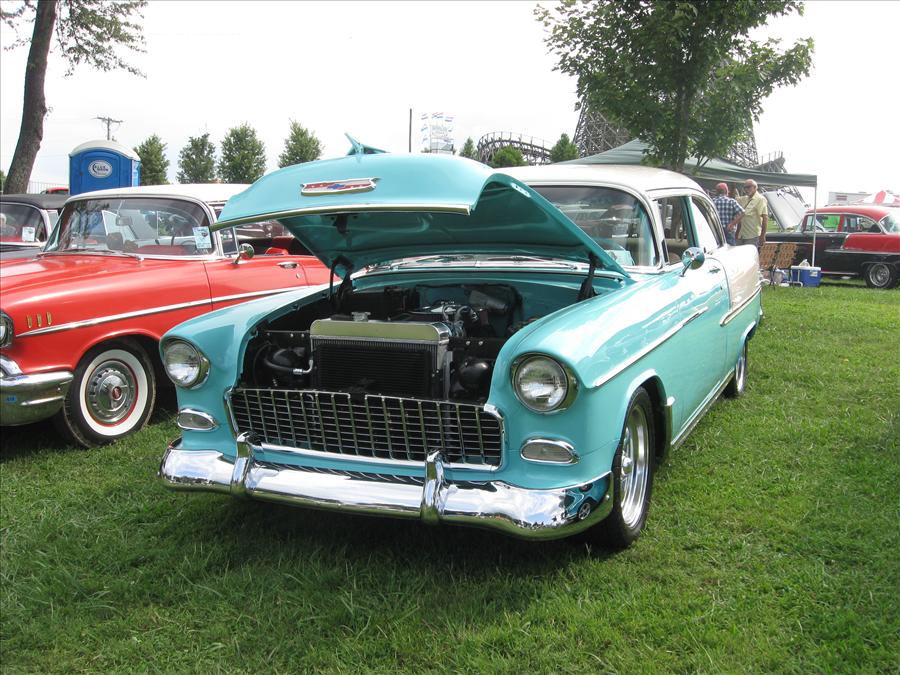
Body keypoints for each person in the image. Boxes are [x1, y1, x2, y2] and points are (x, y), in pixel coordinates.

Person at [736, 179, 768, 248]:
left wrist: (763, 235)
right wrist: (733, 186)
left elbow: (765, 218)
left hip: (753, 236)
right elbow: (733, 198)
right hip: (741, 235)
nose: (746, 189)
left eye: (748, 187)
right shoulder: (744, 199)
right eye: (745, 187)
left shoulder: (760, 199)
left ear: (755, 187)